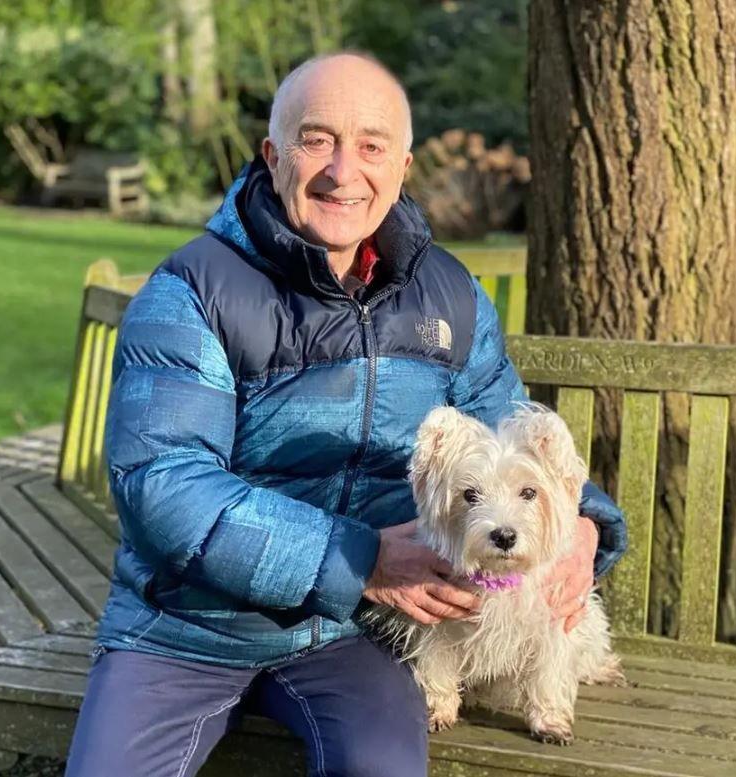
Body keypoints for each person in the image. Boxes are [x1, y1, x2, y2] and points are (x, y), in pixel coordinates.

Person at [65, 51, 627, 777]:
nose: (342, 170)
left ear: (402, 166)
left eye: (370, 146)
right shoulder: (191, 291)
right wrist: (360, 561)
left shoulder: (450, 295)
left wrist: (583, 521)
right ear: (272, 155)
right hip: (186, 626)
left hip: (360, 633)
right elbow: (164, 488)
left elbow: (510, 438)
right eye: (317, 139)